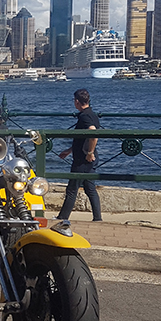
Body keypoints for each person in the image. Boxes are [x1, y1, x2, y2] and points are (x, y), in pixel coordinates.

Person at [56, 88, 102, 222]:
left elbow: (93, 134)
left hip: (83, 159)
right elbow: (83, 138)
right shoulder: (92, 114)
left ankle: (62, 218)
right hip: (87, 157)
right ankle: (97, 218)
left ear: (77, 102)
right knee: (90, 188)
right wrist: (70, 150)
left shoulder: (84, 116)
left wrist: (89, 153)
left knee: (72, 190)